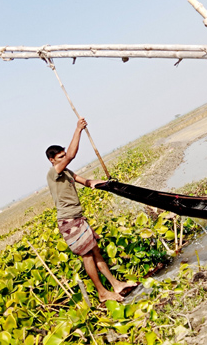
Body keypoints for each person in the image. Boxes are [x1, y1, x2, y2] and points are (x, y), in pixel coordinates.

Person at [46, 117, 137, 302]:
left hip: (78, 218)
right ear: (52, 160)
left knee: (95, 251)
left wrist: (107, 184)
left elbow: (87, 182)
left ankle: (115, 284)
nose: (65, 159)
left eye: (64, 156)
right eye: (60, 157)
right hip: (69, 222)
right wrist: (78, 129)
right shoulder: (53, 172)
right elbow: (72, 155)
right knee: (87, 256)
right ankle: (102, 293)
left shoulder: (68, 173)